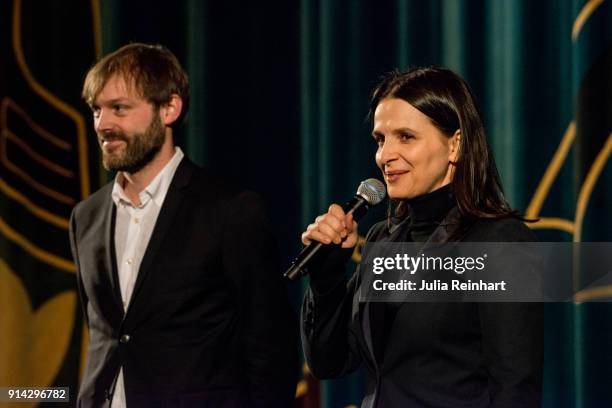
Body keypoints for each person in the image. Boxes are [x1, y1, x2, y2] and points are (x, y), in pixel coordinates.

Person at [69, 43, 298, 408]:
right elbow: (107, 336)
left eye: (119, 109)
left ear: (169, 109)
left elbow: (270, 347)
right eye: (96, 110)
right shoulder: (86, 216)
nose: (103, 124)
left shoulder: (230, 210)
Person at [300, 67, 543, 407]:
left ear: (455, 144)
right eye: (380, 139)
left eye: (406, 137)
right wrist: (327, 276)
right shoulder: (382, 240)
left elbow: (514, 388)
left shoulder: (499, 243)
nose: (385, 155)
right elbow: (330, 362)